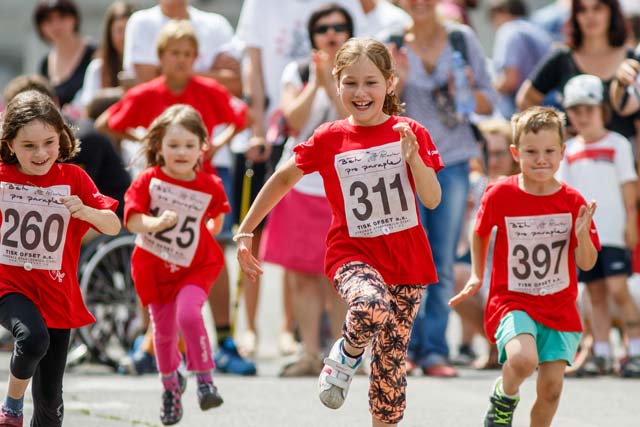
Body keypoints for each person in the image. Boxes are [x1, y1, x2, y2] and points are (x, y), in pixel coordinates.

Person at [237, 37, 443, 427]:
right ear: (335, 83)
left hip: (407, 264)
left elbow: (432, 199)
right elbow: (282, 180)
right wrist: (246, 230)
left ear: (390, 83)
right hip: (353, 255)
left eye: (370, 82)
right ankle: (346, 353)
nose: (361, 93)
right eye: (350, 83)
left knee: (389, 375)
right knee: (369, 304)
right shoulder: (330, 137)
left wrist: (413, 158)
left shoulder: (410, 131)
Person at [96, 19, 256, 375]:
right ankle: (149, 338)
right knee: (150, 256)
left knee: (212, 253)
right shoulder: (147, 93)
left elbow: (244, 116)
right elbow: (108, 122)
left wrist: (216, 144)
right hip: (160, 189)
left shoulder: (208, 89)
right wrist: (146, 143)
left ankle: (225, 337)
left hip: (202, 187)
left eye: (187, 54)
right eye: (173, 54)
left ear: (196, 58)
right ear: (161, 57)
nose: (181, 60)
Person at [450, 106, 600, 427]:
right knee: (522, 359)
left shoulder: (573, 202)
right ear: (516, 153)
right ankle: (505, 395)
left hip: (559, 305)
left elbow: (587, 262)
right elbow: (479, 232)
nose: (541, 159)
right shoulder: (500, 193)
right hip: (513, 300)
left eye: (549, 151)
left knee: (551, 390)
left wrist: (582, 237)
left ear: (562, 152)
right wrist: (477, 274)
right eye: (531, 152)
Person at [0, 90, 121, 427]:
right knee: (32, 337)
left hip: (56, 293)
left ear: (62, 138)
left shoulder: (73, 179)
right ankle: (11, 406)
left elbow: (113, 224)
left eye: (49, 143)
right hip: (10, 286)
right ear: (9, 145)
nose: (40, 154)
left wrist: (85, 211)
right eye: (28, 146)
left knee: (50, 400)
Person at [393, 0, 496, 377]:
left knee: (440, 261)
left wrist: (465, 88)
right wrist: (398, 83)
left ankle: (434, 350)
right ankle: (402, 347)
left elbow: (489, 99)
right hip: (404, 162)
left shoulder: (461, 39)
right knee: (405, 259)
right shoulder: (392, 42)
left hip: (452, 161)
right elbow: (375, 106)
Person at [261, 3, 353, 376]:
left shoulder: (359, 74)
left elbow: (350, 117)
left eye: (339, 27)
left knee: (340, 275)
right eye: (323, 29)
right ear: (312, 36)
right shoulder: (296, 71)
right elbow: (292, 121)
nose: (331, 34)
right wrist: (315, 81)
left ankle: (344, 356)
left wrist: (333, 81)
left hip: (344, 186)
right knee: (302, 275)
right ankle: (310, 353)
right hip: (301, 184)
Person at [124, 104, 228, 426]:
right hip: (155, 268)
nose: (181, 152)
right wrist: (155, 224)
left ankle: (205, 380)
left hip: (194, 268)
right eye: (173, 145)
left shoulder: (209, 184)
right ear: (159, 147)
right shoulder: (148, 180)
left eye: (189, 145)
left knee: (189, 314)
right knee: (163, 334)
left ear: (202, 148)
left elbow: (217, 219)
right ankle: (171, 387)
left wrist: (206, 231)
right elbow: (132, 220)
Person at [557, 74, 640, 377]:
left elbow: (629, 188)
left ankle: (634, 349)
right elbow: (566, 195)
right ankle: (602, 351)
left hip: (614, 232)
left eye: (588, 109)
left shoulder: (617, 144)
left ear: (602, 109)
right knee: (594, 293)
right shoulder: (568, 150)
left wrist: (632, 222)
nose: (582, 117)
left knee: (619, 289)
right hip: (586, 238)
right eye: (575, 111)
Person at [517, 0, 640, 144]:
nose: (590, 16)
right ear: (574, 16)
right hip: (575, 158)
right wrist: (555, 131)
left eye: (597, 8)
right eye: (582, 10)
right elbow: (525, 100)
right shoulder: (562, 58)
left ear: (611, 12)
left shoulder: (632, 60)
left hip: (624, 158)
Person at [488, 0, 552, 119]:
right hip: (549, 111)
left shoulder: (509, 31)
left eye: (493, 18)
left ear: (503, 12)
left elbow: (510, 80)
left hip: (525, 115)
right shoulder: (537, 30)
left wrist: (487, 91)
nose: (494, 26)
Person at [33, 0, 96, 110]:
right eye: (48, 20)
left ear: (74, 19)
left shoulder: (95, 53)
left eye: (62, 17)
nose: (56, 25)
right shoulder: (45, 63)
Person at [76, 1, 135, 110]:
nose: (125, 36)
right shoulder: (98, 68)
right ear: (110, 33)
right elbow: (88, 106)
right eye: (119, 30)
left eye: (129, 30)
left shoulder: (148, 67)